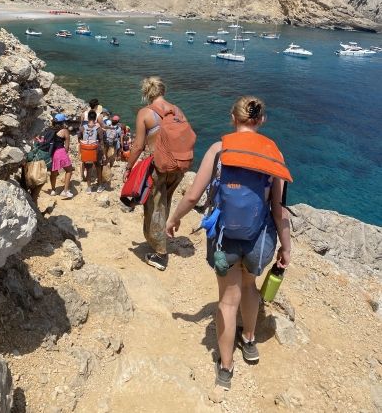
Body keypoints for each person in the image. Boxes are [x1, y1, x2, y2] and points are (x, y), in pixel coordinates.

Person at [166, 96, 292, 389]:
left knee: (226, 300)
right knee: (249, 287)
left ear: (232, 118)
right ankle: (249, 340)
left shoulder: (219, 149)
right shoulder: (274, 154)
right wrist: (286, 246)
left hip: (224, 239)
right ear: (261, 120)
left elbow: (193, 196)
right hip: (257, 239)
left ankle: (225, 367)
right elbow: (278, 209)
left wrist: (175, 218)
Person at [125, 76, 190, 271]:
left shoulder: (145, 113)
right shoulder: (177, 110)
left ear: (146, 93)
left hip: (158, 167)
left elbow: (138, 146)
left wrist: (129, 167)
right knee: (166, 202)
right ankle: (160, 236)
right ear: (163, 91)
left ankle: (160, 253)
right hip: (178, 166)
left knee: (154, 206)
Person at [78, 109, 105, 193]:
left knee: (88, 169)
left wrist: (85, 145)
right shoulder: (99, 129)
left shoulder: (82, 128)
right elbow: (101, 142)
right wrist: (103, 154)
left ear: (88, 118)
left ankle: (89, 187)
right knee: (98, 168)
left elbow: (79, 139)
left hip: (86, 151)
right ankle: (100, 186)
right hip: (97, 151)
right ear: (95, 118)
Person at [49, 114, 74, 199]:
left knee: (54, 172)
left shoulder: (50, 130)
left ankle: (53, 190)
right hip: (60, 152)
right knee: (69, 170)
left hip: (52, 153)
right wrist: (65, 154)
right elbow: (66, 147)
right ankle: (65, 191)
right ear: (62, 122)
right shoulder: (64, 131)